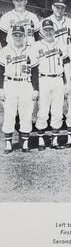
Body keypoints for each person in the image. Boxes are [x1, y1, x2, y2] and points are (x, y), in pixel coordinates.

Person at [30, 19, 69, 150]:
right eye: (45, 29)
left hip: (58, 79)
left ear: (54, 30)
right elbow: (34, 69)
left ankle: (55, 140)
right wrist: (35, 87)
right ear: (42, 31)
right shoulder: (36, 46)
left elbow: (66, 64)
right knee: (43, 110)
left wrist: (66, 82)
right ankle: (41, 140)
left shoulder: (61, 44)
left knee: (57, 111)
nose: (48, 32)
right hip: (44, 79)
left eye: (50, 29)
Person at [0, 25, 39, 153]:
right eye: (15, 35)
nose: (18, 37)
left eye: (20, 35)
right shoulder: (5, 50)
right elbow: (0, 71)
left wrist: (35, 88)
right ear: (12, 36)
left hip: (26, 84)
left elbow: (34, 71)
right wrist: (0, 89)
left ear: (24, 36)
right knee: (9, 114)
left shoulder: (31, 50)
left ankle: (25, 144)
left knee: (26, 114)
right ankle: (8, 144)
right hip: (9, 83)